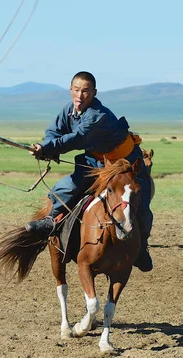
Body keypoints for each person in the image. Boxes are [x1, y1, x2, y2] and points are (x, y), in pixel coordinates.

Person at [25, 71, 154, 272]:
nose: (80, 95)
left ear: (94, 93)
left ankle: (141, 248)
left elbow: (78, 138)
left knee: (142, 204)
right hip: (96, 161)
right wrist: (45, 146)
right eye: (76, 90)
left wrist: (49, 149)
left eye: (85, 91)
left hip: (125, 163)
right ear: (70, 90)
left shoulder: (98, 115)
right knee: (64, 188)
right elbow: (55, 132)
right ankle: (51, 220)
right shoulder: (69, 111)